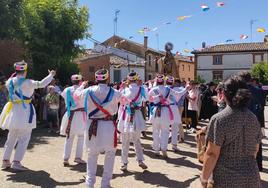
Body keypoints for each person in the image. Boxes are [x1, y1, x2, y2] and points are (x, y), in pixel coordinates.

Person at [201, 75, 262, 188]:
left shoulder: (219, 119)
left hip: (226, 179)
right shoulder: (253, 118)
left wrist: (204, 178)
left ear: (224, 94)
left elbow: (212, 154)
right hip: (252, 177)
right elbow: (255, 150)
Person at [0, 61, 55, 171]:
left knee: (11, 137)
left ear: (16, 70)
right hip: (24, 111)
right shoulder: (28, 82)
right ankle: (16, 162)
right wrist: (51, 75)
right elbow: (42, 84)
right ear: (25, 71)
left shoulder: (9, 82)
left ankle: (5, 161)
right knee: (24, 138)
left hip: (12, 110)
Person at [74, 69, 121, 188]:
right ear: (107, 78)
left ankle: (89, 184)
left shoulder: (88, 91)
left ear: (96, 78)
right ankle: (105, 184)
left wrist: (81, 86)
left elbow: (76, 96)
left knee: (91, 155)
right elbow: (125, 100)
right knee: (110, 154)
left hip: (92, 126)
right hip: (108, 125)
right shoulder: (115, 92)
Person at [149, 74, 187, 158]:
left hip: (156, 111)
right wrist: (186, 88)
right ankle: (164, 147)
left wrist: (156, 97)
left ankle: (156, 149)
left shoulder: (153, 89)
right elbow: (179, 94)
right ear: (164, 81)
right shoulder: (168, 89)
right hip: (165, 111)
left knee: (155, 131)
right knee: (165, 131)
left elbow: (148, 99)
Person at [118, 72, 148, 171]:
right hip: (138, 115)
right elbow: (146, 98)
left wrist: (121, 88)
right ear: (136, 79)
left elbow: (120, 100)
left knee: (125, 142)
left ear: (128, 80)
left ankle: (124, 163)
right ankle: (140, 160)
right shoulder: (142, 89)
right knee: (137, 140)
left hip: (126, 115)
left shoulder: (125, 90)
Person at [237, 71, 266, 172]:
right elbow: (262, 105)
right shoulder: (259, 90)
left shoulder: (239, 91)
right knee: (257, 143)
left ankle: (245, 167)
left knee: (242, 145)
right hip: (256, 119)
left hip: (242, 120)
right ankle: (258, 166)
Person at [60, 74, 86, 166]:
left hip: (70, 115)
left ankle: (66, 158)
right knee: (81, 137)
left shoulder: (67, 90)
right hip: (80, 115)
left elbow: (64, 97)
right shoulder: (83, 90)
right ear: (80, 81)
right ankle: (78, 157)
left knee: (69, 137)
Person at [166, 76, 184, 151]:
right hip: (175, 107)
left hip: (171, 107)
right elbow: (182, 93)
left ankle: (162, 145)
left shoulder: (166, 88)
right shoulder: (177, 89)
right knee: (175, 126)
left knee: (167, 127)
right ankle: (175, 143)